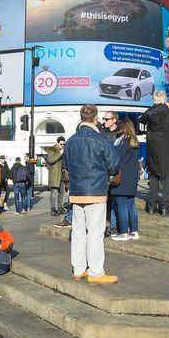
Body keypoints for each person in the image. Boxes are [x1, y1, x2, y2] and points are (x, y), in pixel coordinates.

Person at [64, 104, 121, 285]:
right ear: (95, 119)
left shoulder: (71, 141)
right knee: (95, 233)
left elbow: (65, 166)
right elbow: (114, 165)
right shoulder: (101, 139)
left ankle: (79, 270)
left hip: (76, 193)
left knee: (79, 232)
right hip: (96, 191)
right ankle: (96, 272)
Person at [140, 91, 169, 215]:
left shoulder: (148, 112)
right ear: (164, 99)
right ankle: (165, 206)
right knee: (168, 177)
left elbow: (142, 120)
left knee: (154, 176)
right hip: (167, 148)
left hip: (153, 148)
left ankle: (152, 206)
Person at [110, 119, 141, 241]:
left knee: (122, 205)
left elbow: (116, 159)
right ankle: (134, 231)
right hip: (131, 177)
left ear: (123, 127)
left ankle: (123, 232)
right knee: (130, 205)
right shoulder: (133, 140)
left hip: (121, 177)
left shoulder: (123, 141)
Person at [45, 136, 68, 219]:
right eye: (61, 144)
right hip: (54, 175)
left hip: (61, 175)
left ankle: (60, 208)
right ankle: (53, 209)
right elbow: (51, 160)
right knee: (54, 193)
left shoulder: (62, 151)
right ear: (57, 142)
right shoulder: (52, 150)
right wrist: (60, 154)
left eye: (63, 144)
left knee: (61, 193)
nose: (62, 146)